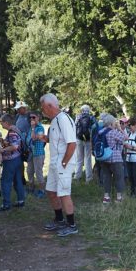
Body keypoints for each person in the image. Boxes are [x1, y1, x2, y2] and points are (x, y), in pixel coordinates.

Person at [40, 93, 78, 237]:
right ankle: (59, 219)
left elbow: (72, 143)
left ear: (50, 106)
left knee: (63, 193)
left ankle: (71, 224)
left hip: (64, 163)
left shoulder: (64, 119)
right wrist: (46, 138)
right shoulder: (55, 120)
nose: (43, 111)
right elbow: (58, 140)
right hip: (55, 162)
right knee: (51, 191)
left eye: (44, 108)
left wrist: (64, 162)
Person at [0, 114, 25, 212]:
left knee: (5, 182)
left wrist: (2, 150)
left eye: (2, 122)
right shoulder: (15, 129)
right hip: (18, 159)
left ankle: (6, 204)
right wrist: (3, 141)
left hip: (11, 160)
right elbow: (14, 143)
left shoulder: (12, 132)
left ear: (7, 122)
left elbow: (15, 146)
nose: (1, 124)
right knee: (17, 181)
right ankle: (21, 201)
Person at [100, 115, 128, 203]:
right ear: (111, 123)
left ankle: (106, 197)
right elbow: (125, 138)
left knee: (106, 177)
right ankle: (119, 198)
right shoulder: (113, 132)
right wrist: (120, 129)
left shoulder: (100, 132)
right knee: (119, 178)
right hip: (115, 158)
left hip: (104, 158)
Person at [26, 111, 45, 198]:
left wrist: (33, 128)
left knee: (38, 173)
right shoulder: (30, 128)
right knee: (29, 171)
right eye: (30, 117)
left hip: (38, 153)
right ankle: (31, 188)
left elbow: (34, 138)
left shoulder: (40, 128)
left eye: (33, 117)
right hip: (31, 153)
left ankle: (42, 190)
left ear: (38, 118)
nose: (31, 119)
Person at [74, 105, 96, 183]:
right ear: (89, 110)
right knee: (87, 159)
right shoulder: (91, 118)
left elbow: (75, 126)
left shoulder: (78, 116)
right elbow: (94, 128)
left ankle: (77, 177)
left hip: (79, 139)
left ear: (81, 110)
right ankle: (88, 178)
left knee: (79, 159)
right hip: (88, 140)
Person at [14, 101, 30, 185]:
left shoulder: (29, 116)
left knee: (30, 162)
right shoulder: (17, 116)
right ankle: (21, 179)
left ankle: (32, 181)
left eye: (19, 109)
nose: (18, 111)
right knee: (20, 161)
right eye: (17, 109)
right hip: (18, 142)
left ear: (24, 108)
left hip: (28, 143)